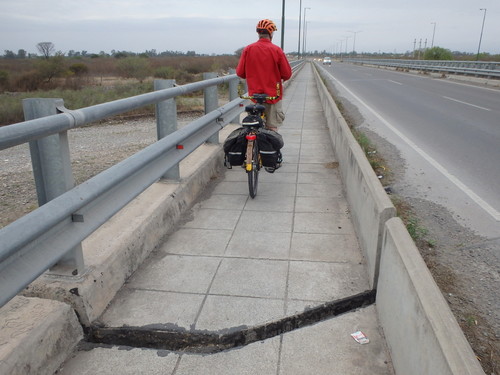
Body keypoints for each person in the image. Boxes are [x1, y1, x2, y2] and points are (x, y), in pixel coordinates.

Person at [236, 19, 292, 132]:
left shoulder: (248, 49)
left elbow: (240, 73)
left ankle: (251, 146)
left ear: (258, 33)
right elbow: (287, 74)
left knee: (253, 126)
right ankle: (271, 148)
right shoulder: (277, 50)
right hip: (272, 96)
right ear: (271, 34)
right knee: (272, 127)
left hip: (254, 96)